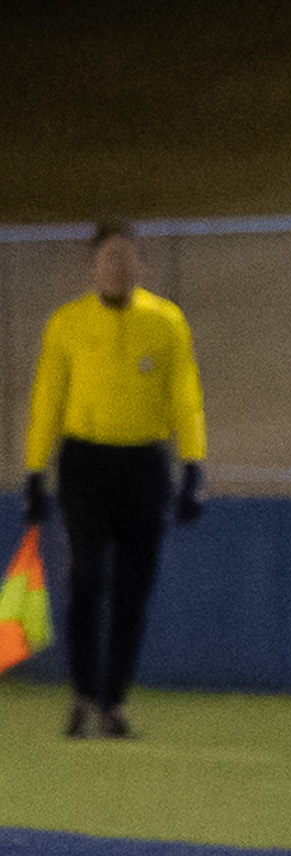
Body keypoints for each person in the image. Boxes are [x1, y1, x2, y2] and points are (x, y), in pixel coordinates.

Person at [23, 225, 206, 741]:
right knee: (86, 580)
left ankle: (114, 702)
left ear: (139, 264)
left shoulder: (166, 322)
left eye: (125, 258)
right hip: (85, 464)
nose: (116, 268)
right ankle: (81, 694)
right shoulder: (67, 323)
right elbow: (47, 399)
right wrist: (35, 470)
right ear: (93, 266)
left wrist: (192, 464)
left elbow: (184, 395)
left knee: (133, 589)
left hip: (144, 465)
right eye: (107, 258)